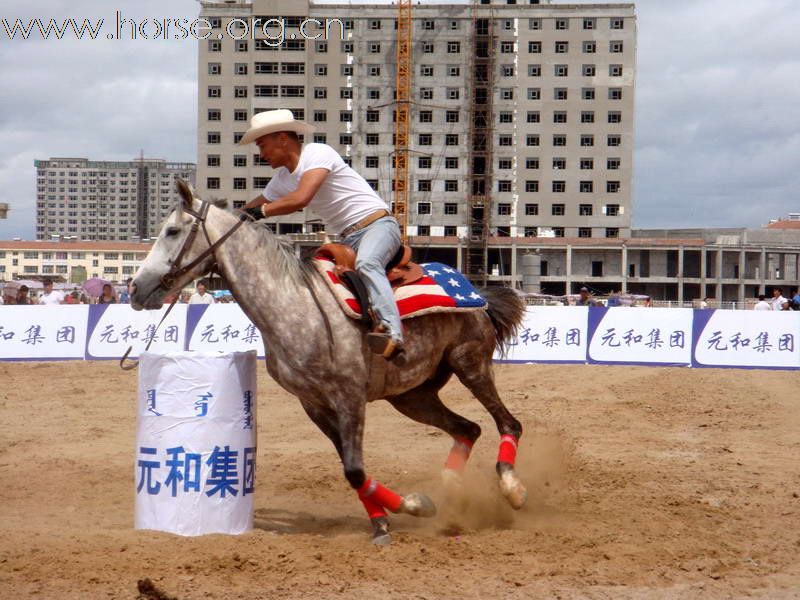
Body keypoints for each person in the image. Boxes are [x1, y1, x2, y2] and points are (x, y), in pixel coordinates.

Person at [239, 109, 403, 357]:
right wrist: (226, 217)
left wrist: (259, 212)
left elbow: (300, 198)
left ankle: (393, 332)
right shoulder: (282, 179)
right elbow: (250, 207)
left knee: (368, 263)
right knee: (313, 278)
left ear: (282, 138)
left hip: (378, 226)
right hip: (348, 239)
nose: (261, 155)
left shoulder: (317, 153)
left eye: (262, 145)